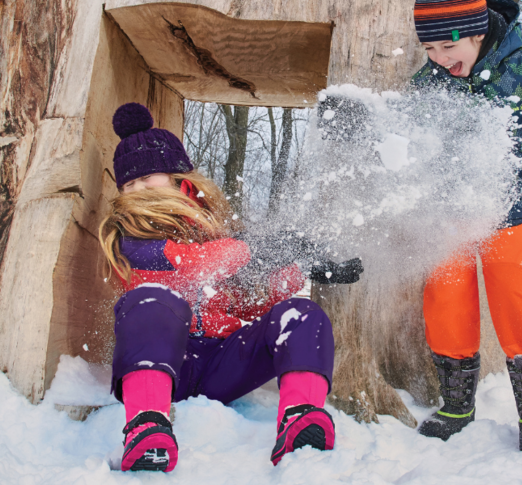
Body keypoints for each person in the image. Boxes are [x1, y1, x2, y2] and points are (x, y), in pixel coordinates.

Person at [99, 102, 364, 472]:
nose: (138, 189)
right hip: (167, 365)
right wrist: (256, 248)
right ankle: (146, 427)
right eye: (129, 184)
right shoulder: (127, 240)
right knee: (153, 299)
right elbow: (192, 265)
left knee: (301, 314)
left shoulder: (212, 234)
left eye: (148, 178)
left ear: (178, 177)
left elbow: (240, 305)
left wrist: (296, 270)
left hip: (222, 365)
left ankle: (301, 416)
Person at [410, 0, 522, 451]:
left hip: (507, 210)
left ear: (476, 32)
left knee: (513, 296)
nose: (437, 57)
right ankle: (456, 404)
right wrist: (361, 129)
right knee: (444, 296)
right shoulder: (430, 82)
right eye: (428, 47)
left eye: (445, 45)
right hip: (446, 215)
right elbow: (400, 134)